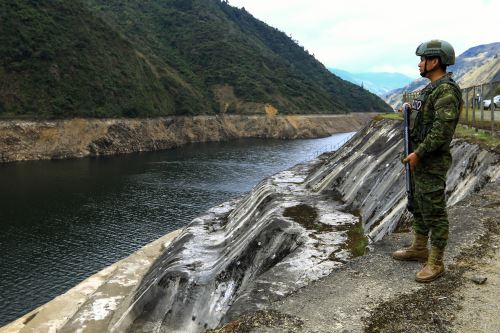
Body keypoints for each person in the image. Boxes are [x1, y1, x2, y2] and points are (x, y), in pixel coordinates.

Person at [392, 40, 463, 282]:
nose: (419, 63)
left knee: (435, 210)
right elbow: (424, 115)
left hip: (430, 161)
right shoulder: (431, 89)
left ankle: (436, 261)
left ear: (434, 61)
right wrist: (408, 111)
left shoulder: (446, 91)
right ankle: (419, 247)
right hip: (420, 159)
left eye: (423, 59)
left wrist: (419, 152)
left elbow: (441, 131)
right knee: (419, 205)